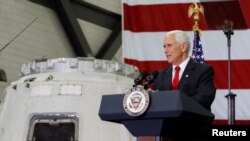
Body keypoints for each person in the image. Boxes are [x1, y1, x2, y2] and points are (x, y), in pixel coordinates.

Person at [152, 30, 216, 141]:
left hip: (193, 132)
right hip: (166, 134)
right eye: (164, 46)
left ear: (183, 47)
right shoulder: (160, 75)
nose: (165, 50)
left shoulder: (203, 71)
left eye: (169, 46)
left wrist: (174, 104)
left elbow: (204, 98)